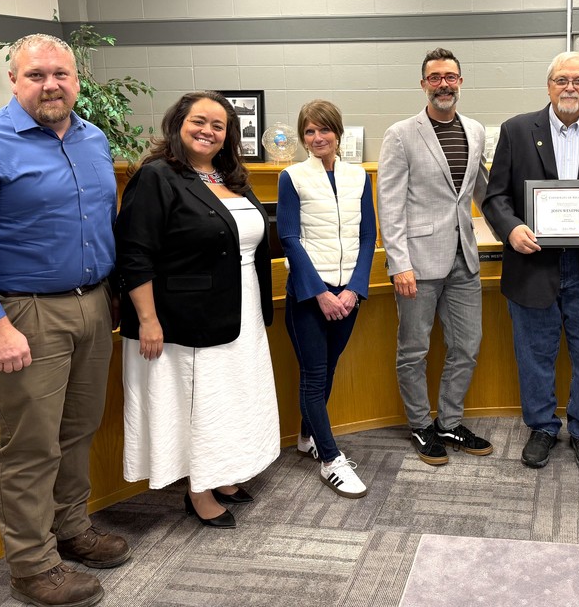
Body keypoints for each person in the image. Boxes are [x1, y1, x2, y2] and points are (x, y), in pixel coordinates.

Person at [0, 33, 130, 607]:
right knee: (30, 446)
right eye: (37, 75)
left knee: (77, 429)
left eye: (62, 75)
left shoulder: (93, 139)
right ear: (14, 80)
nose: (51, 85)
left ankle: (70, 529)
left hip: (92, 304)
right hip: (22, 312)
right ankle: (32, 565)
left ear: (77, 80)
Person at [115, 91, 280, 529]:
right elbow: (135, 253)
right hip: (185, 318)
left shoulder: (229, 176)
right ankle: (199, 490)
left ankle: (224, 475)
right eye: (198, 122)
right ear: (178, 124)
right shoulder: (157, 177)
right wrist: (148, 320)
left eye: (218, 125)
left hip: (239, 308)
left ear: (229, 135)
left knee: (231, 400)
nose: (208, 131)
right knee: (199, 405)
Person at [483, 51, 579, 472]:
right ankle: (542, 427)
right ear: (548, 85)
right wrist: (512, 227)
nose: (569, 88)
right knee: (534, 352)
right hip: (533, 262)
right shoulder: (517, 130)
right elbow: (495, 196)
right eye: (561, 80)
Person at [377, 48, 492, 466]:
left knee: (467, 345)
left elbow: (481, 190)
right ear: (423, 83)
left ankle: (449, 420)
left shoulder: (476, 130)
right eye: (435, 77)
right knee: (414, 349)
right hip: (418, 262)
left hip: (465, 258)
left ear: (461, 81)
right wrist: (398, 263)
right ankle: (420, 425)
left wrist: (512, 229)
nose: (444, 83)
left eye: (451, 76)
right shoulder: (401, 134)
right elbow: (388, 203)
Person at [279, 99, 377, 498]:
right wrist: (319, 292)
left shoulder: (359, 176)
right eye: (309, 132)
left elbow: (369, 236)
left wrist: (354, 289)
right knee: (315, 374)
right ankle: (331, 459)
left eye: (324, 130)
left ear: (338, 133)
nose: (317, 138)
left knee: (329, 369)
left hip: (347, 294)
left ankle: (307, 436)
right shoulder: (293, 176)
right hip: (308, 295)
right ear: (303, 138)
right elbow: (289, 237)